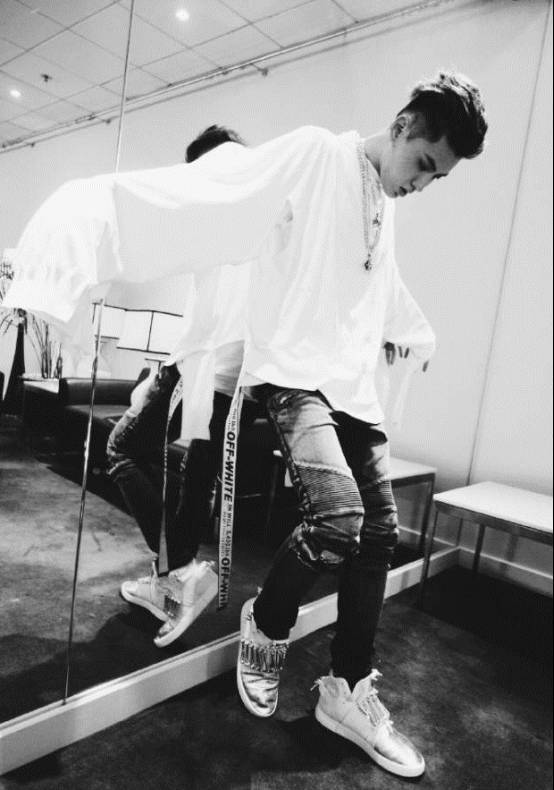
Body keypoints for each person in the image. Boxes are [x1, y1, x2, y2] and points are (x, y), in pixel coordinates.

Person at [5, 70, 487, 778]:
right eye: (423, 164)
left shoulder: (388, 205)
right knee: (338, 520)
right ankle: (265, 625)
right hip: (296, 377)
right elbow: (209, 197)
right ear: (404, 125)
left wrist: (408, 332)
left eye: (435, 178)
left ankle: (348, 686)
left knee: (379, 538)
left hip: (354, 388)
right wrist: (89, 213)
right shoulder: (317, 154)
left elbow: (381, 286)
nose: (421, 183)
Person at [106, 125, 259, 648]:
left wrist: (165, 372)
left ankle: (177, 571)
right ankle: (177, 577)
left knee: (122, 449)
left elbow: (203, 318)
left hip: (200, 367)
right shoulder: (261, 217)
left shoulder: (218, 218)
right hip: (233, 379)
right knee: (194, 483)